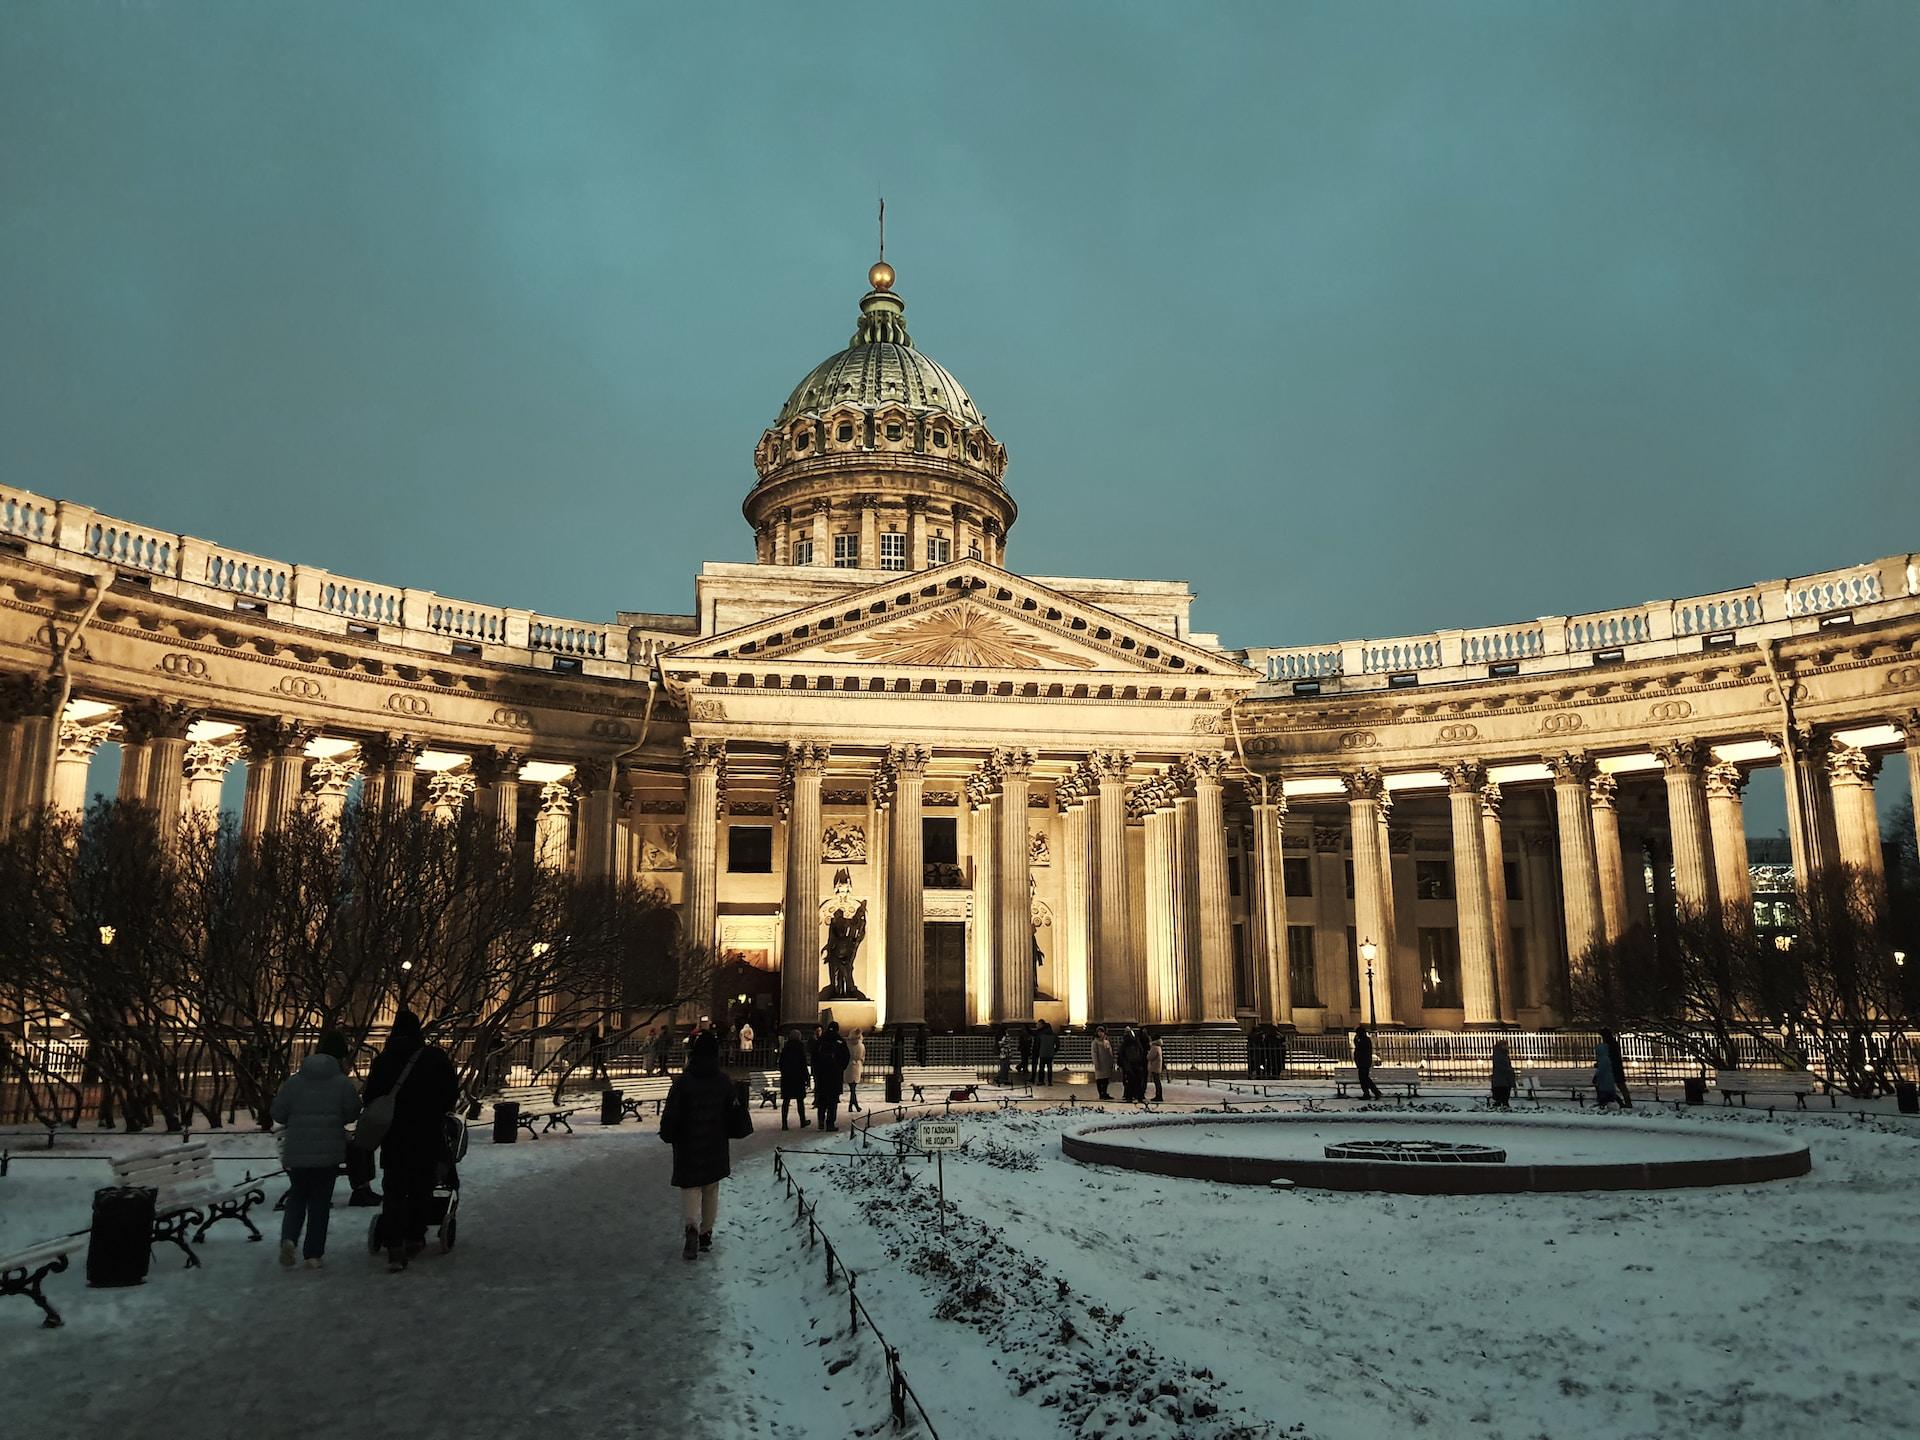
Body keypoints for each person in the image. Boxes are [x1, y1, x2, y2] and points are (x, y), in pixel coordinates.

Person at [360, 1009, 460, 1274]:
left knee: (393, 1188)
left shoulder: (383, 1061)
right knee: (421, 1186)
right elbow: (450, 1093)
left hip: (394, 1135)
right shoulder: (434, 1058)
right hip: (426, 1133)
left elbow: (370, 1097)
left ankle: (393, 1243)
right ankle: (415, 1236)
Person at [270, 1031, 362, 1270]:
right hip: (328, 1151)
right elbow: (352, 1112)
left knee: (297, 1197)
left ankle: (289, 1239)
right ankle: (313, 1254)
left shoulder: (294, 1081)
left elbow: (278, 1113)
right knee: (320, 1203)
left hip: (297, 1151)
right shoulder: (342, 1083)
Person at [659, 1030, 752, 1260]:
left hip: (688, 1144)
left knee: (690, 1188)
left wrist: (669, 1133)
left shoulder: (683, 1082)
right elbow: (733, 1113)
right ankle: (706, 1232)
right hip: (714, 1143)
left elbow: (671, 1114)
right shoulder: (723, 1081)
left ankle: (691, 1227)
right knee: (711, 1188)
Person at [810, 1022, 851, 1131]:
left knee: (822, 1100)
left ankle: (821, 1121)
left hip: (822, 1075)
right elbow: (846, 1056)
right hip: (835, 1075)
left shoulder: (821, 1040)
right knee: (833, 1101)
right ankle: (830, 1123)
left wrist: (817, 1070)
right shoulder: (840, 1041)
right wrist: (840, 1068)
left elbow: (814, 1056)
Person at [778, 1028, 811, 1130]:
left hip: (787, 1078)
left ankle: (784, 1123)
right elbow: (803, 1064)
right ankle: (802, 1121)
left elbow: (781, 1063)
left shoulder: (785, 1048)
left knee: (786, 1101)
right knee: (800, 1100)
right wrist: (807, 1077)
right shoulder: (800, 1048)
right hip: (798, 1077)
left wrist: (784, 1072)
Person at [1352, 1025, 1385, 1101]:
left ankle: (1373, 1092)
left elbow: (1359, 1049)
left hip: (1363, 1062)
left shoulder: (1364, 1040)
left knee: (1365, 1079)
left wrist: (1356, 1041)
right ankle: (1369, 1093)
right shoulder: (1364, 1039)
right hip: (1363, 1062)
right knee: (1364, 1079)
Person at [1602, 1029, 1632, 1108]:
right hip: (1616, 1068)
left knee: (1609, 1086)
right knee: (1621, 1086)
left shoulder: (1609, 1045)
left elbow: (1609, 1057)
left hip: (1613, 1068)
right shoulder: (1613, 1044)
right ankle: (1626, 1103)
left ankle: (1621, 1102)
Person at [1119, 1027, 1149, 1104]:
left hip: (1130, 1065)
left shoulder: (1125, 1043)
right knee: (1137, 1081)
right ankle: (1138, 1096)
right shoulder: (1136, 1042)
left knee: (1130, 1082)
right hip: (1136, 1065)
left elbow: (1121, 1055)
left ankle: (1130, 1096)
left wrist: (1123, 1064)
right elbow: (1141, 1052)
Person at [1593, 1039, 1623, 1109]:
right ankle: (1618, 1103)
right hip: (1607, 1078)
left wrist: (1596, 1076)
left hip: (1604, 1079)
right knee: (1609, 1092)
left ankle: (1603, 1104)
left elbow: (1601, 1070)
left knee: (1605, 1092)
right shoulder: (1606, 1058)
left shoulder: (1603, 1059)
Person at [844, 1028, 865, 1112]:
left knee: (852, 1088)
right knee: (853, 1088)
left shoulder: (848, 1045)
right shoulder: (861, 1046)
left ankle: (852, 1105)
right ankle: (854, 1105)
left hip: (849, 1066)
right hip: (857, 1066)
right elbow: (863, 1056)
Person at [1091, 1026, 1115, 1100]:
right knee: (1100, 1079)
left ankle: (1104, 1092)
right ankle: (1101, 1093)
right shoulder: (1095, 1042)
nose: (1100, 1033)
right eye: (1099, 1032)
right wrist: (1096, 1063)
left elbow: (1110, 1053)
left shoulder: (1106, 1042)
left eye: (1102, 1032)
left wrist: (1111, 1062)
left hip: (1106, 1064)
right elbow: (1094, 1054)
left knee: (1105, 1079)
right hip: (1100, 1063)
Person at [1490, 1039, 1515, 1110]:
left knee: (1504, 1093)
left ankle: (1503, 1105)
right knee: (1503, 1093)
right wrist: (1509, 1070)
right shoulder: (1499, 1054)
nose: (1507, 1047)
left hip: (1504, 1078)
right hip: (1501, 1078)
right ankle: (1503, 1105)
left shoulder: (1503, 1054)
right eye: (1505, 1045)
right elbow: (1499, 1066)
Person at [1034, 1020, 1058, 1086]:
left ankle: (1041, 1081)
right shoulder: (1054, 1035)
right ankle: (1050, 1082)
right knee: (1049, 1068)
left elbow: (1038, 1044)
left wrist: (1038, 1051)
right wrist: (1054, 1050)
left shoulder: (1041, 1035)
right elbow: (1058, 1044)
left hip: (1042, 1053)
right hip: (1050, 1053)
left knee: (1041, 1068)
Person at [1147, 1033, 1166, 1104]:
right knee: (1157, 1081)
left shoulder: (1154, 1047)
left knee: (1157, 1082)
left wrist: (1148, 1053)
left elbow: (1149, 1057)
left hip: (1155, 1066)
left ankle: (1158, 1096)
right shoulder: (1158, 1046)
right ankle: (1158, 1095)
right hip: (1157, 1066)